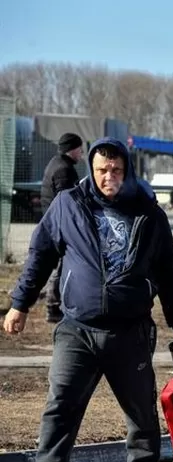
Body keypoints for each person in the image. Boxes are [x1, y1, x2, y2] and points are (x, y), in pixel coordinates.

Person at [5, 137, 173, 462]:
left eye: (117, 170)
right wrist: (20, 304)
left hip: (131, 330)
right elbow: (40, 256)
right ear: (91, 171)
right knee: (61, 403)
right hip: (78, 328)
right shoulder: (68, 205)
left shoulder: (149, 213)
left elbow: (169, 272)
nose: (110, 177)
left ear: (127, 171)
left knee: (139, 408)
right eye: (102, 170)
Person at [40, 132, 84, 323]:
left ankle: (54, 303)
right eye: (80, 149)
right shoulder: (64, 170)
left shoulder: (56, 163)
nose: (81, 153)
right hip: (61, 224)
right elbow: (67, 203)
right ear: (73, 149)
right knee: (62, 263)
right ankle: (53, 305)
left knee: (60, 263)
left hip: (54, 222)